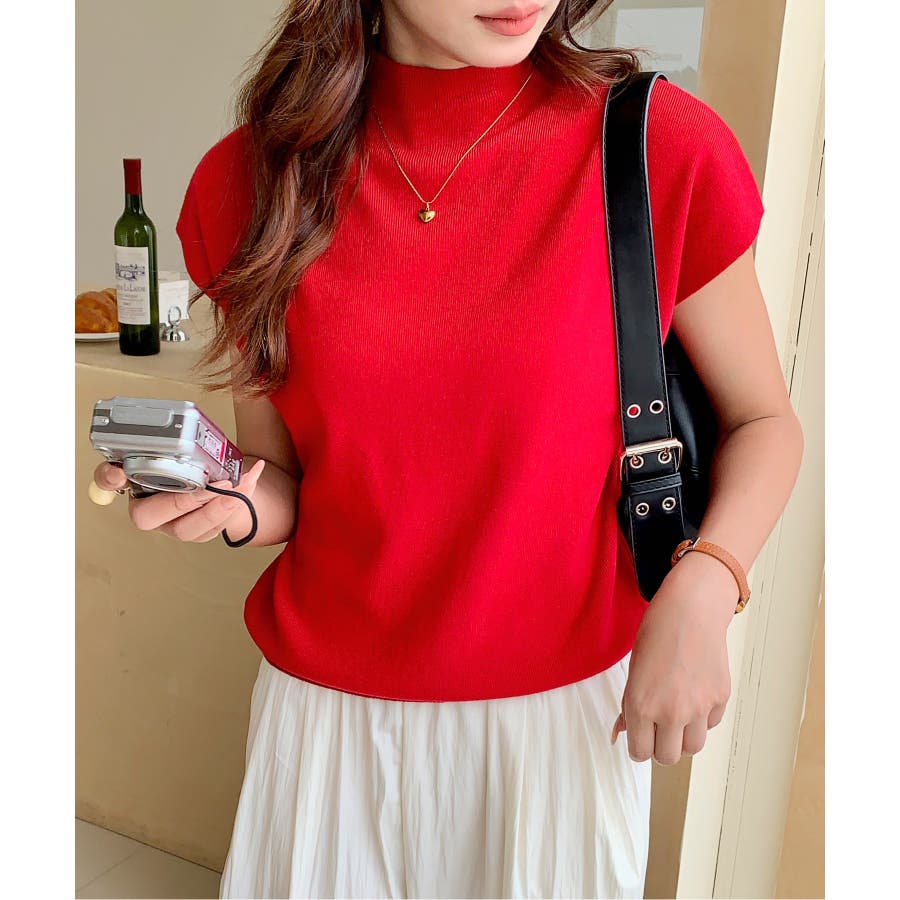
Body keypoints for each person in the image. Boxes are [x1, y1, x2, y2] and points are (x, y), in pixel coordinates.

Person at [92, 0, 804, 896]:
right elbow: (288, 480)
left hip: (560, 733)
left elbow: (763, 422)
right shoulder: (251, 181)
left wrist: (706, 586)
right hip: (330, 733)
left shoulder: (656, 147)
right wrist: (227, 501)